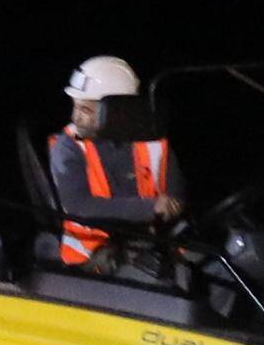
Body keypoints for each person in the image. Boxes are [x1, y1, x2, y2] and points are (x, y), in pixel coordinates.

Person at [40, 54, 176, 268]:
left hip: (148, 243)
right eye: (75, 106)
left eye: (86, 109)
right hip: (95, 257)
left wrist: (172, 209)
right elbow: (79, 206)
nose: (76, 117)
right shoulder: (68, 147)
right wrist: (149, 208)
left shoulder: (152, 141)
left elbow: (176, 196)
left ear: (117, 110)